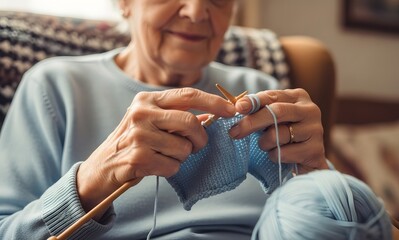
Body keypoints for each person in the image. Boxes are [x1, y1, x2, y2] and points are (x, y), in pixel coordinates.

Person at [0, 0, 329, 239]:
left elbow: (339, 224)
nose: (197, 11)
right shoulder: (56, 86)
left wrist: (318, 175)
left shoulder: (262, 89)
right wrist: (96, 177)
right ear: (125, 3)